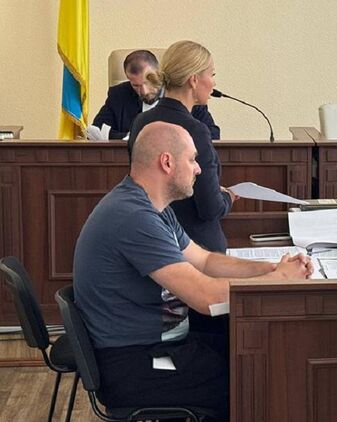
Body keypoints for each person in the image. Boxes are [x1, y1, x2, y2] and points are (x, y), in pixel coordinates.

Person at [73, 122, 313, 420]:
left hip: (160, 346)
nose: (199, 169)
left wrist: (272, 268)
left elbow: (205, 261)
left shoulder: (154, 207)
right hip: (135, 363)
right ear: (167, 162)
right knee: (256, 378)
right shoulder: (133, 216)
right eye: (192, 159)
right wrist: (278, 280)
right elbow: (205, 297)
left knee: (258, 357)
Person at [127, 40, 235, 336]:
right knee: (216, 343)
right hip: (197, 257)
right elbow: (210, 207)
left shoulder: (141, 122)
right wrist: (228, 197)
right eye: (212, 74)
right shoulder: (195, 130)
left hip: (154, 245)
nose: (214, 82)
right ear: (194, 80)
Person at [90, 49, 220, 140]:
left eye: (148, 82)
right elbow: (97, 129)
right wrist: (132, 137)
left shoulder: (182, 93)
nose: (144, 91)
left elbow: (213, 133)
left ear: (158, 73)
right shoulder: (119, 94)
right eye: (136, 85)